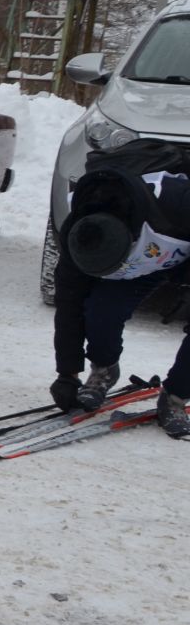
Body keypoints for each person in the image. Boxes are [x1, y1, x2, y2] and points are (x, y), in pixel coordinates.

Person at [51, 159, 190, 438]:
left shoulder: (179, 205)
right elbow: (69, 306)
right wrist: (68, 373)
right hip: (142, 263)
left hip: (178, 250)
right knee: (101, 310)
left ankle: (176, 396)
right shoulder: (77, 233)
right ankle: (104, 369)